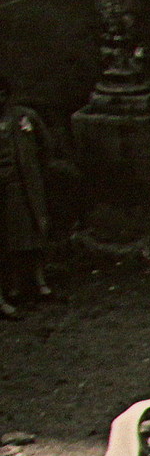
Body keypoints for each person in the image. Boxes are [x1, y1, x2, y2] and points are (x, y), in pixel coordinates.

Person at [0, 76, 56, 314]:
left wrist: (37, 171)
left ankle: (39, 280)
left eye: (1, 93)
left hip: (24, 185)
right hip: (2, 187)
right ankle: (13, 285)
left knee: (33, 231)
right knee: (8, 238)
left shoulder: (24, 117)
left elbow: (46, 146)